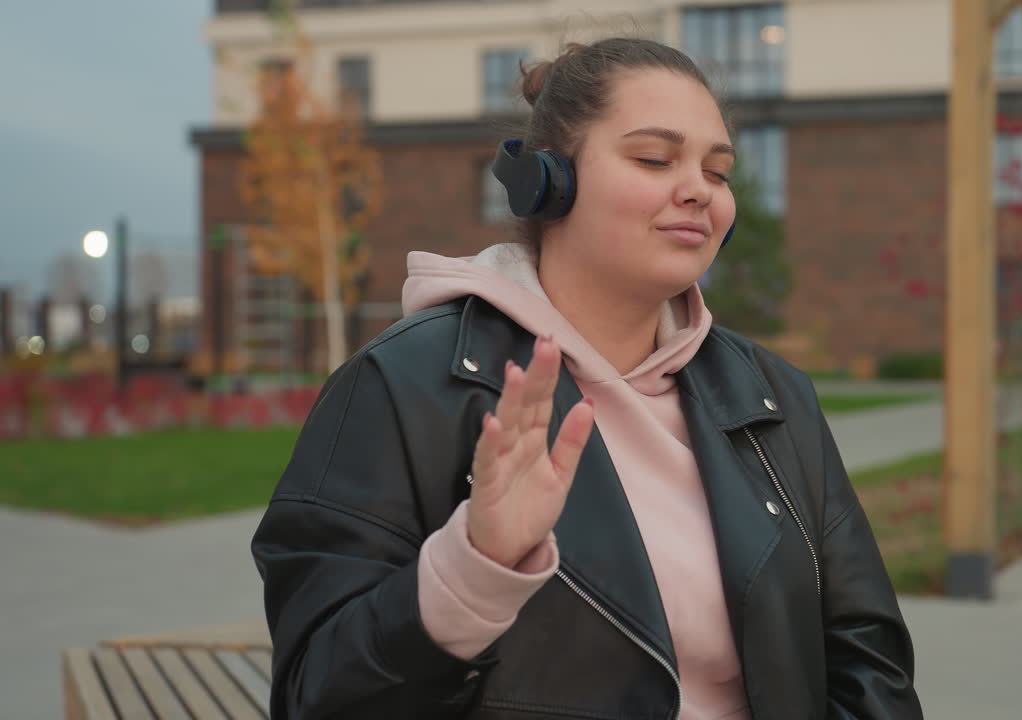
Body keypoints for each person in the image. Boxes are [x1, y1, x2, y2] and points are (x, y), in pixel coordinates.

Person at [252, 37, 923, 719]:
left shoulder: (776, 397)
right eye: (654, 158)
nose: (699, 190)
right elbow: (320, 694)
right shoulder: (401, 387)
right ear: (548, 181)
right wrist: (473, 569)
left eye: (717, 171)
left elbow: (868, 660)